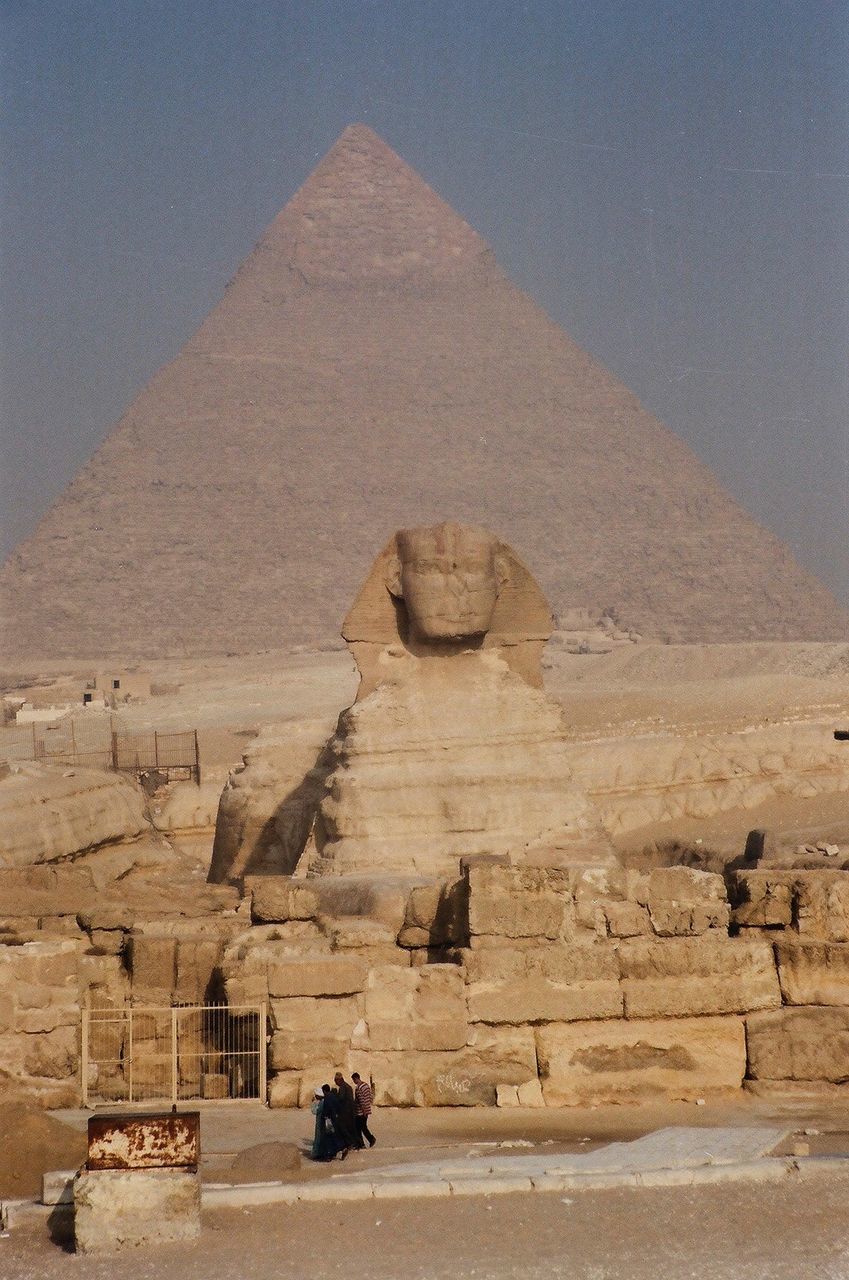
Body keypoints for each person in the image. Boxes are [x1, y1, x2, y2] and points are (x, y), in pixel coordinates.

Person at [333, 1071, 360, 1155]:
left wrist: (334, 1095)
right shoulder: (347, 1086)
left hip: (345, 1112)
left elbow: (340, 1099)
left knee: (343, 1128)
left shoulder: (343, 1087)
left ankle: (349, 1143)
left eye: (336, 1080)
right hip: (349, 1111)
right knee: (350, 1128)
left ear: (339, 1080)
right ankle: (354, 1143)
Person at [352, 1071, 376, 1147]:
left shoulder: (358, 1088)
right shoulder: (366, 1086)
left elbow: (361, 1100)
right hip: (367, 1109)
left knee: (358, 1128)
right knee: (363, 1127)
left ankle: (364, 1142)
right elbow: (370, 1097)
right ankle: (367, 1140)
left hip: (361, 1111)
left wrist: (363, 1110)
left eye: (354, 1080)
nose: (354, 1082)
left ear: (356, 1078)